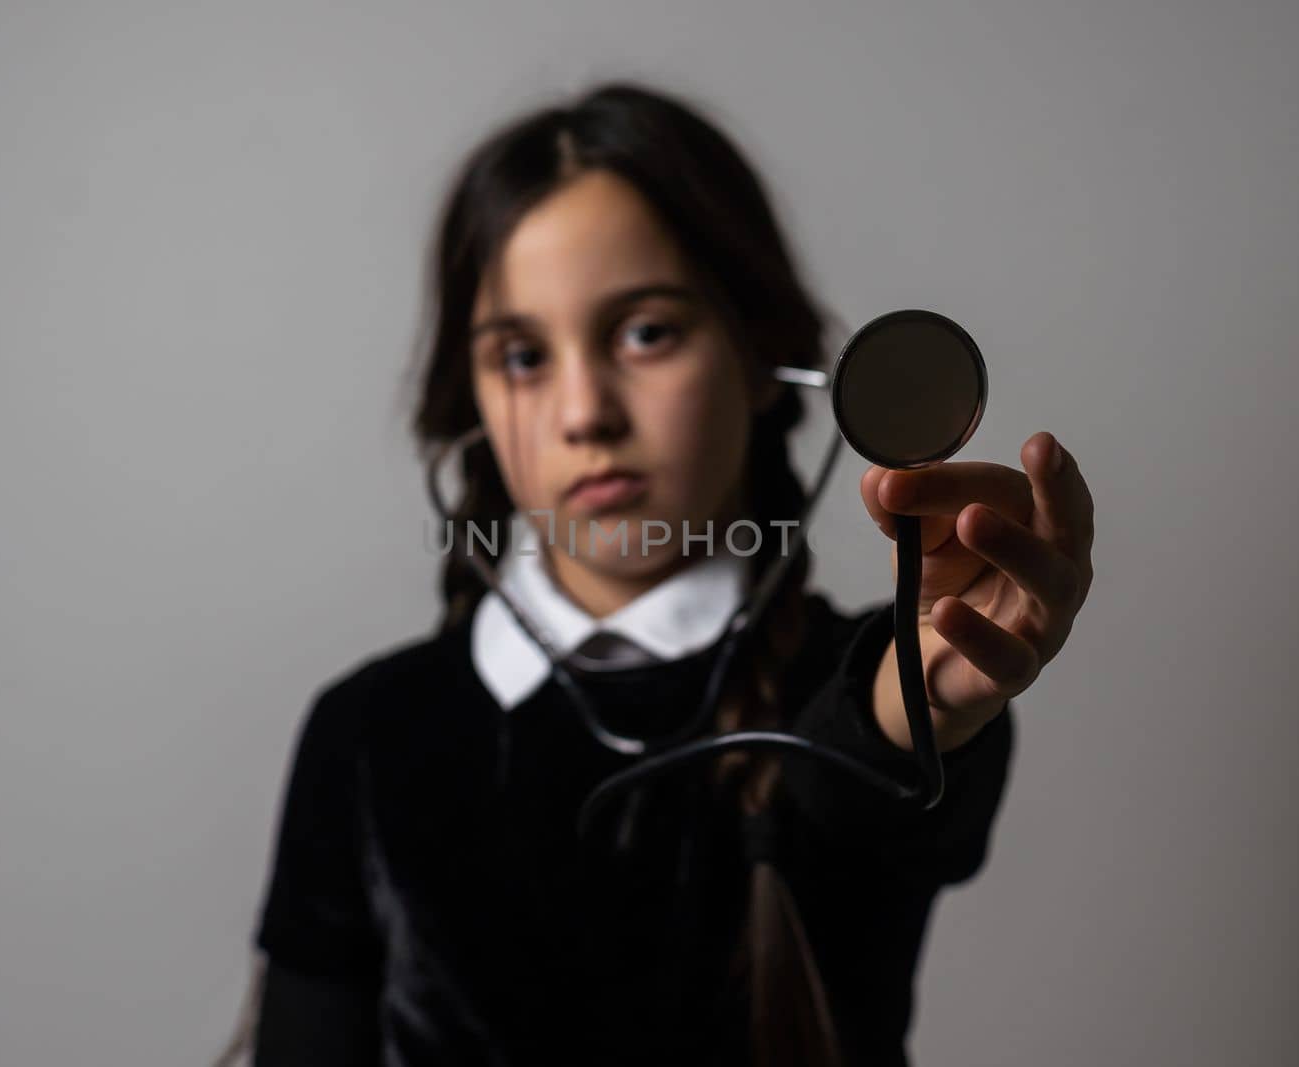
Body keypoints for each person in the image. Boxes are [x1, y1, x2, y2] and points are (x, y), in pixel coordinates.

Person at [223, 80, 1095, 1067]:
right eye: (521, 355)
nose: (584, 410)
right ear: (463, 394)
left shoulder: (868, 686)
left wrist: (904, 721)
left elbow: (874, 783)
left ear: (763, 353)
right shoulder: (368, 734)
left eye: (645, 332)